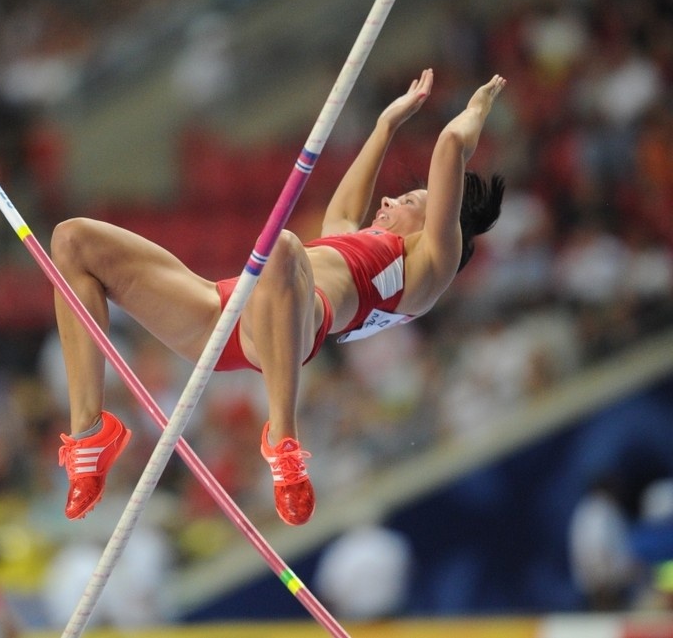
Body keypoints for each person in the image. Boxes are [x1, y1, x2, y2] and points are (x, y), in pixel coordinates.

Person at [51, 69, 506, 526]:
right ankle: (90, 435)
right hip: (217, 314)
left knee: (285, 247)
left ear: (439, 226)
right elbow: (345, 212)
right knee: (71, 241)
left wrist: (478, 107)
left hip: (294, 327)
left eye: (408, 201)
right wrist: (385, 127)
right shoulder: (357, 242)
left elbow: (450, 145)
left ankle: (283, 443)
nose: (388, 200)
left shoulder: (429, 269)